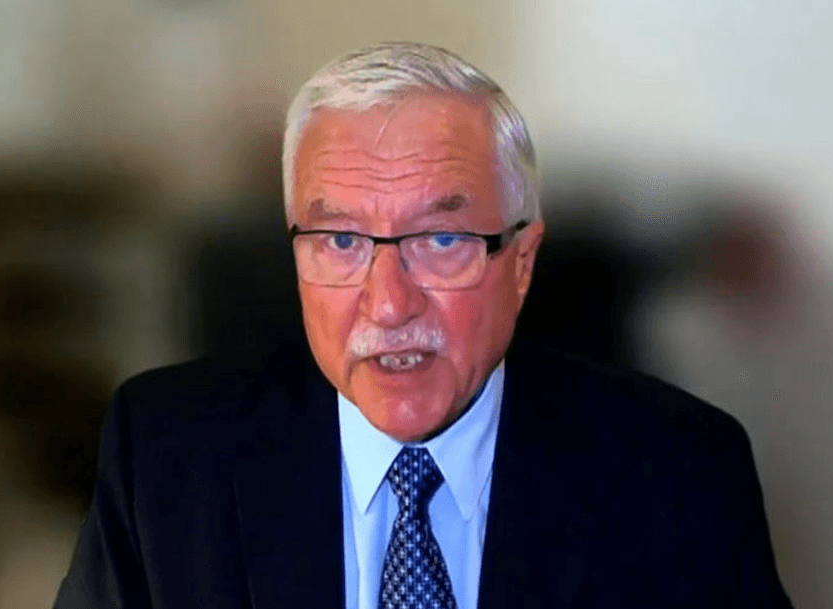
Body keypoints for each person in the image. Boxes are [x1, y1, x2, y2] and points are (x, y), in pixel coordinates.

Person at [53, 42, 792, 609]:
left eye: (441, 241)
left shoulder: (683, 475)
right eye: (339, 241)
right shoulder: (164, 456)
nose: (387, 304)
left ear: (523, 260)